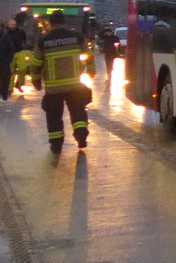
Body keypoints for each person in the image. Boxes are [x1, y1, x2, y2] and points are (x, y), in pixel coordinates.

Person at [30, 10, 92, 155]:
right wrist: (91, 71)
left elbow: (35, 63)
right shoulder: (77, 37)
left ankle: (56, 145)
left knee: (54, 117)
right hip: (75, 86)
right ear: (65, 22)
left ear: (51, 24)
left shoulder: (43, 40)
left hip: (53, 89)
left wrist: (36, 80)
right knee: (78, 112)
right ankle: (81, 137)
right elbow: (88, 55)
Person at [97, 24, 120, 93]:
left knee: (110, 65)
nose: (108, 33)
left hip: (112, 53)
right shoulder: (105, 37)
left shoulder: (114, 37)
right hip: (107, 53)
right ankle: (109, 75)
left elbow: (118, 43)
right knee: (108, 65)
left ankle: (109, 75)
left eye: (109, 32)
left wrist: (117, 47)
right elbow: (100, 35)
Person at [0, 17, 15, 100]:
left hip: (4, 61)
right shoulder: (6, 37)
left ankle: (4, 93)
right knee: (5, 78)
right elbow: (11, 50)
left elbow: (11, 50)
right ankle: (4, 94)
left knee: (5, 77)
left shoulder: (6, 37)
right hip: (5, 62)